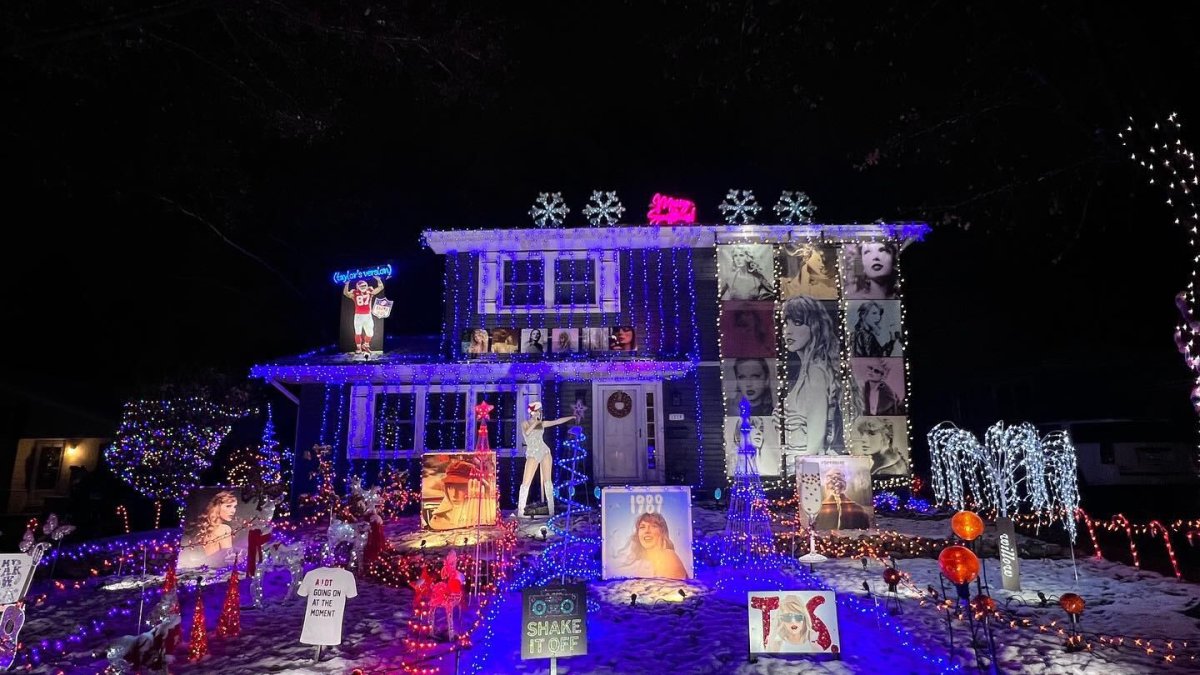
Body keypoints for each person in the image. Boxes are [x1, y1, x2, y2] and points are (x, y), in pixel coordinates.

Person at [781, 297, 845, 460]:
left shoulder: (815, 370)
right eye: (786, 323)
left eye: (797, 323)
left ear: (815, 327)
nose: (788, 330)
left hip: (806, 467)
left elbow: (816, 439)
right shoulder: (806, 370)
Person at [517, 402, 575, 518]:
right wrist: (536, 422)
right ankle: (520, 511)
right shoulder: (525, 423)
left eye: (540, 411)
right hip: (533, 453)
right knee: (525, 483)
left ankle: (551, 510)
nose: (539, 413)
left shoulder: (541, 423)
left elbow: (557, 421)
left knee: (548, 482)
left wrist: (571, 417)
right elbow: (527, 433)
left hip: (544, 451)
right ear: (533, 412)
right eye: (537, 410)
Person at [428, 458, 495, 530]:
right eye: (450, 487)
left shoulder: (488, 513)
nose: (454, 494)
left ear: (475, 486)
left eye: (460, 488)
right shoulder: (439, 518)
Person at [618, 512, 688, 580]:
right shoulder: (644, 565)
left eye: (653, 526)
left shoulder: (668, 556)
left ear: (662, 532)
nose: (647, 531)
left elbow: (672, 590)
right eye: (642, 527)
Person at [342, 276, 384, 354]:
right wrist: (346, 284)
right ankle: (358, 347)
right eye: (361, 286)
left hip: (368, 315)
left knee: (370, 333)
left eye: (364, 285)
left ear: (367, 285)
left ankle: (365, 344)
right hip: (358, 315)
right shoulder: (355, 292)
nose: (363, 287)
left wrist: (378, 279)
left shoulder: (370, 290)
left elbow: (380, 287)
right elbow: (346, 294)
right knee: (358, 332)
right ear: (358, 287)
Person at [192, 490, 238, 557]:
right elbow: (227, 557)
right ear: (217, 507)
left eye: (234, 506)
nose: (233, 511)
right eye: (228, 506)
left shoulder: (206, 529)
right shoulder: (224, 529)